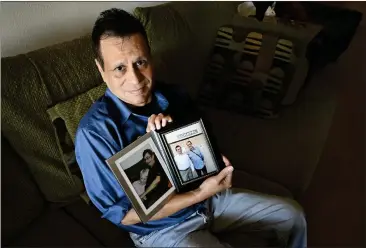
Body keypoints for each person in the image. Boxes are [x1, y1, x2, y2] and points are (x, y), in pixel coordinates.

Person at [75, 8, 307, 247]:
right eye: (120, 68)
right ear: (102, 70)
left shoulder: (174, 96)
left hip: (209, 201)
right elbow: (124, 215)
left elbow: (208, 154)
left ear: (150, 57)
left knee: (293, 215)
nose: (135, 80)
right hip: (163, 229)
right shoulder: (93, 134)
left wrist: (213, 163)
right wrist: (196, 190)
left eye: (140, 62)